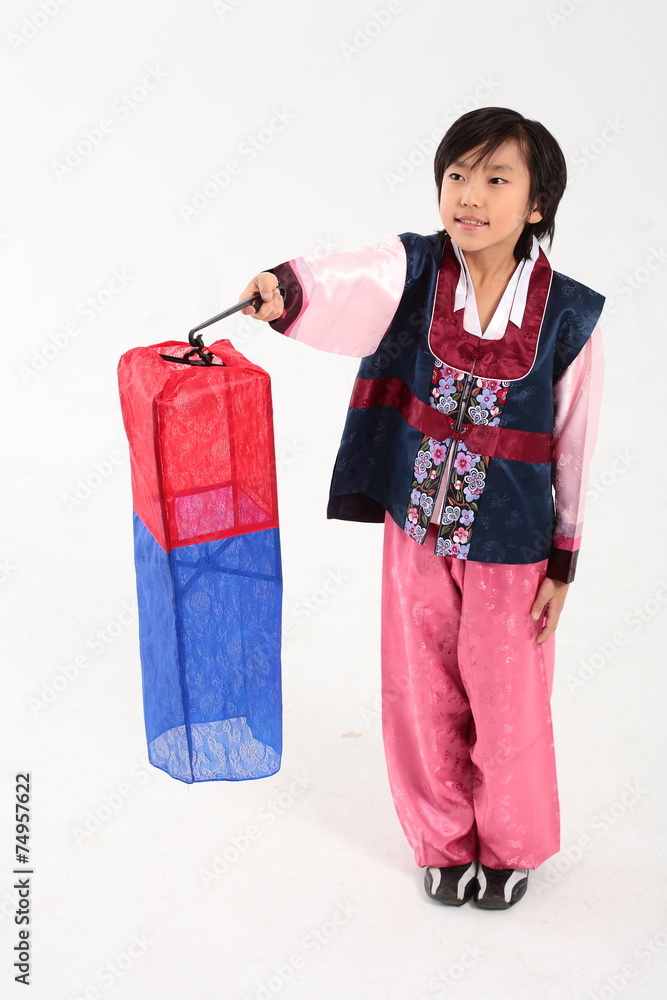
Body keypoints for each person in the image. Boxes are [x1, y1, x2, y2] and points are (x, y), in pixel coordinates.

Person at [237, 107, 605, 910]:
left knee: (506, 697)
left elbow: (574, 442)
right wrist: (283, 288)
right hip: (414, 530)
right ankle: (440, 840)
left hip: (512, 544)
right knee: (418, 687)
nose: (469, 195)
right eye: (456, 175)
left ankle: (509, 845)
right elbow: (349, 278)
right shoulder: (414, 273)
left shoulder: (569, 315)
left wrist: (563, 560)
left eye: (496, 179)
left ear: (536, 204)